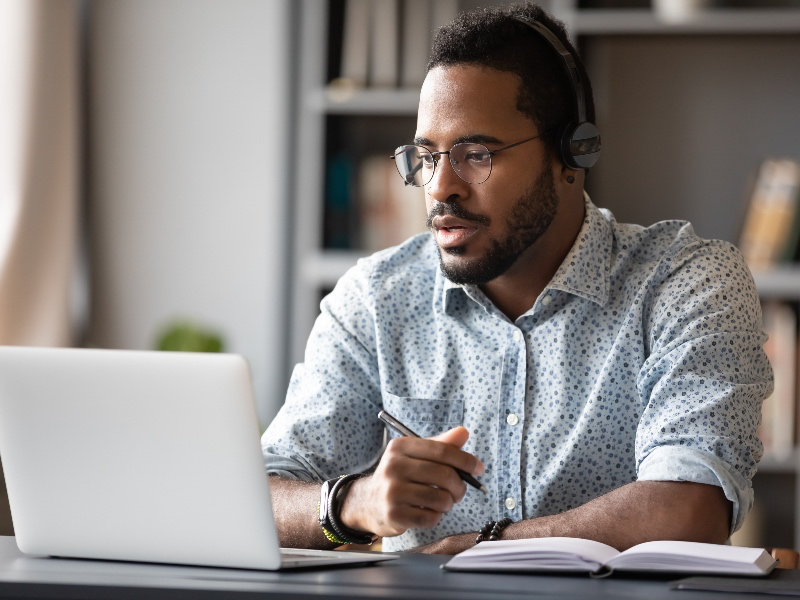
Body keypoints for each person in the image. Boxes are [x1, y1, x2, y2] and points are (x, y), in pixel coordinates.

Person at [262, 1, 772, 554]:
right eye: (427, 156)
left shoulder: (685, 282)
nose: (439, 187)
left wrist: (486, 546)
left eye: (476, 154)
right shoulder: (377, 299)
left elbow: (688, 510)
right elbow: (257, 497)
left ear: (572, 154)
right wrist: (351, 503)